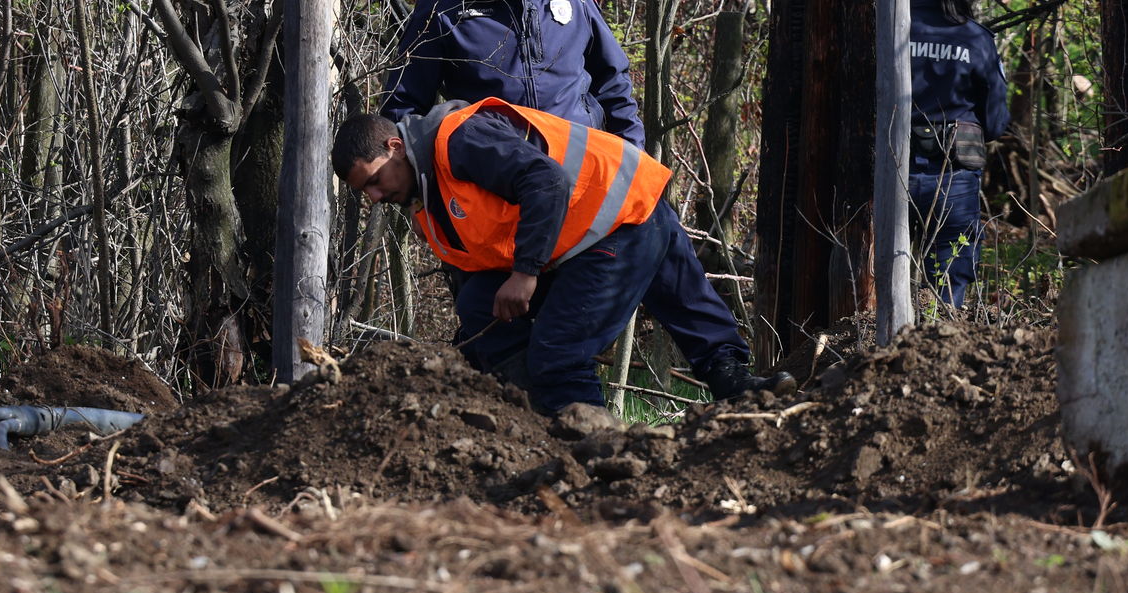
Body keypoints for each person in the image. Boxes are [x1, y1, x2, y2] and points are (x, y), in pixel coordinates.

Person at [382, 0, 781, 399]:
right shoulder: (444, 7)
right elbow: (401, 111)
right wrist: (443, 203)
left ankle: (731, 375)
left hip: (590, 175)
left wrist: (630, 150)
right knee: (494, 317)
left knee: (661, 246)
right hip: (511, 198)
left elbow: (613, 81)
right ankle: (535, 410)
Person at [332, 99, 796, 412]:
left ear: (395, 146)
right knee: (478, 304)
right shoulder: (424, 196)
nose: (373, 197)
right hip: (587, 233)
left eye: (373, 180)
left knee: (557, 355)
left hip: (618, 217)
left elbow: (545, 181)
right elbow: (474, 277)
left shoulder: (457, 139)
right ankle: (531, 415)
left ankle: (590, 447)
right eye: (363, 192)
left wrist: (526, 273)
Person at [907, 0, 1010, 309]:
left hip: (885, 177)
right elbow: (997, 123)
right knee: (947, 298)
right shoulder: (976, 38)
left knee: (874, 285)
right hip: (954, 181)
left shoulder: (881, 28)